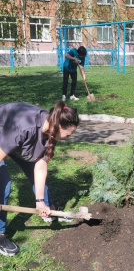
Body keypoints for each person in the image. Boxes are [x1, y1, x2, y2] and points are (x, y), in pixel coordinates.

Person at [0, 101, 79, 256]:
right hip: (4, 133)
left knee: (38, 178)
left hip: (22, 141)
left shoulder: (51, 127)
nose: (69, 137)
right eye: (69, 134)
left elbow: (40, 166)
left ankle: (49, 209)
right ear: (59, 126)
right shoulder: (24, 127)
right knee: (4, 184)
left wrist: (40, 202)